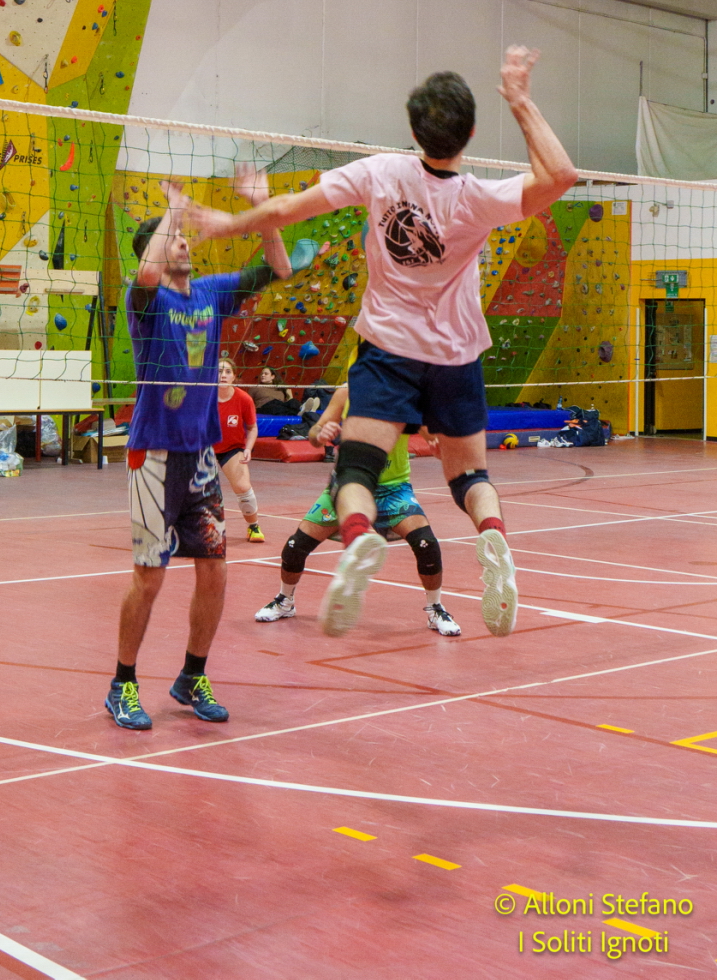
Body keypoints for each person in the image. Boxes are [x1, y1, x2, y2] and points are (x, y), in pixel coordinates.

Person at [191, 46, 578, 638]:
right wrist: (520, 99)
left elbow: (290, 208)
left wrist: (230, 222)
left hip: (389, 350)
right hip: (455, 355)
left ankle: (357, 539)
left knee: (356, 470)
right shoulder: (479, 197)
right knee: (469, 478)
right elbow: (562, 176)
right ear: (471, 134)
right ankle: (493, 536)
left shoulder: (380, 173)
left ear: (414, 132)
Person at [106, 165, 291, 730]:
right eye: (174, 238)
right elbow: (146, 271)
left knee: (214, 571)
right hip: (153, 457)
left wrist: (262, 210)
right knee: (150, 578)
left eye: (185, 236)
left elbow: (279, 267)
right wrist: (174, 210)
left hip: (202, 458)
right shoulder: (145, 302)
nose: (184, 241)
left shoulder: (211, 293)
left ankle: (192, 675)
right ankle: (122, 684)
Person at [255, 384, 460, 636]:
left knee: (426, 543)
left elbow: (433, 432)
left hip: (392, 489)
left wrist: (440, 443)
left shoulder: (408, 393)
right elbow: (314, 434)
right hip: (348, 484)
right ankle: (285, 601)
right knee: (295, 546)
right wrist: (320, 433)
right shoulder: (347, 392)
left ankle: (435, 608)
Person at [214, 358, 265, 542]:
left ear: (234, 376)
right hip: (204, 449)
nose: (223, 375)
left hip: (232, 449)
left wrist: (248, 449)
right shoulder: (203, 397)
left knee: (243, 487)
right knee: (195, 489)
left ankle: (253, 526)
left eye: (228, 372)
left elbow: (252, 427)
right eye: (219, 371)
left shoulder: (244, 399)